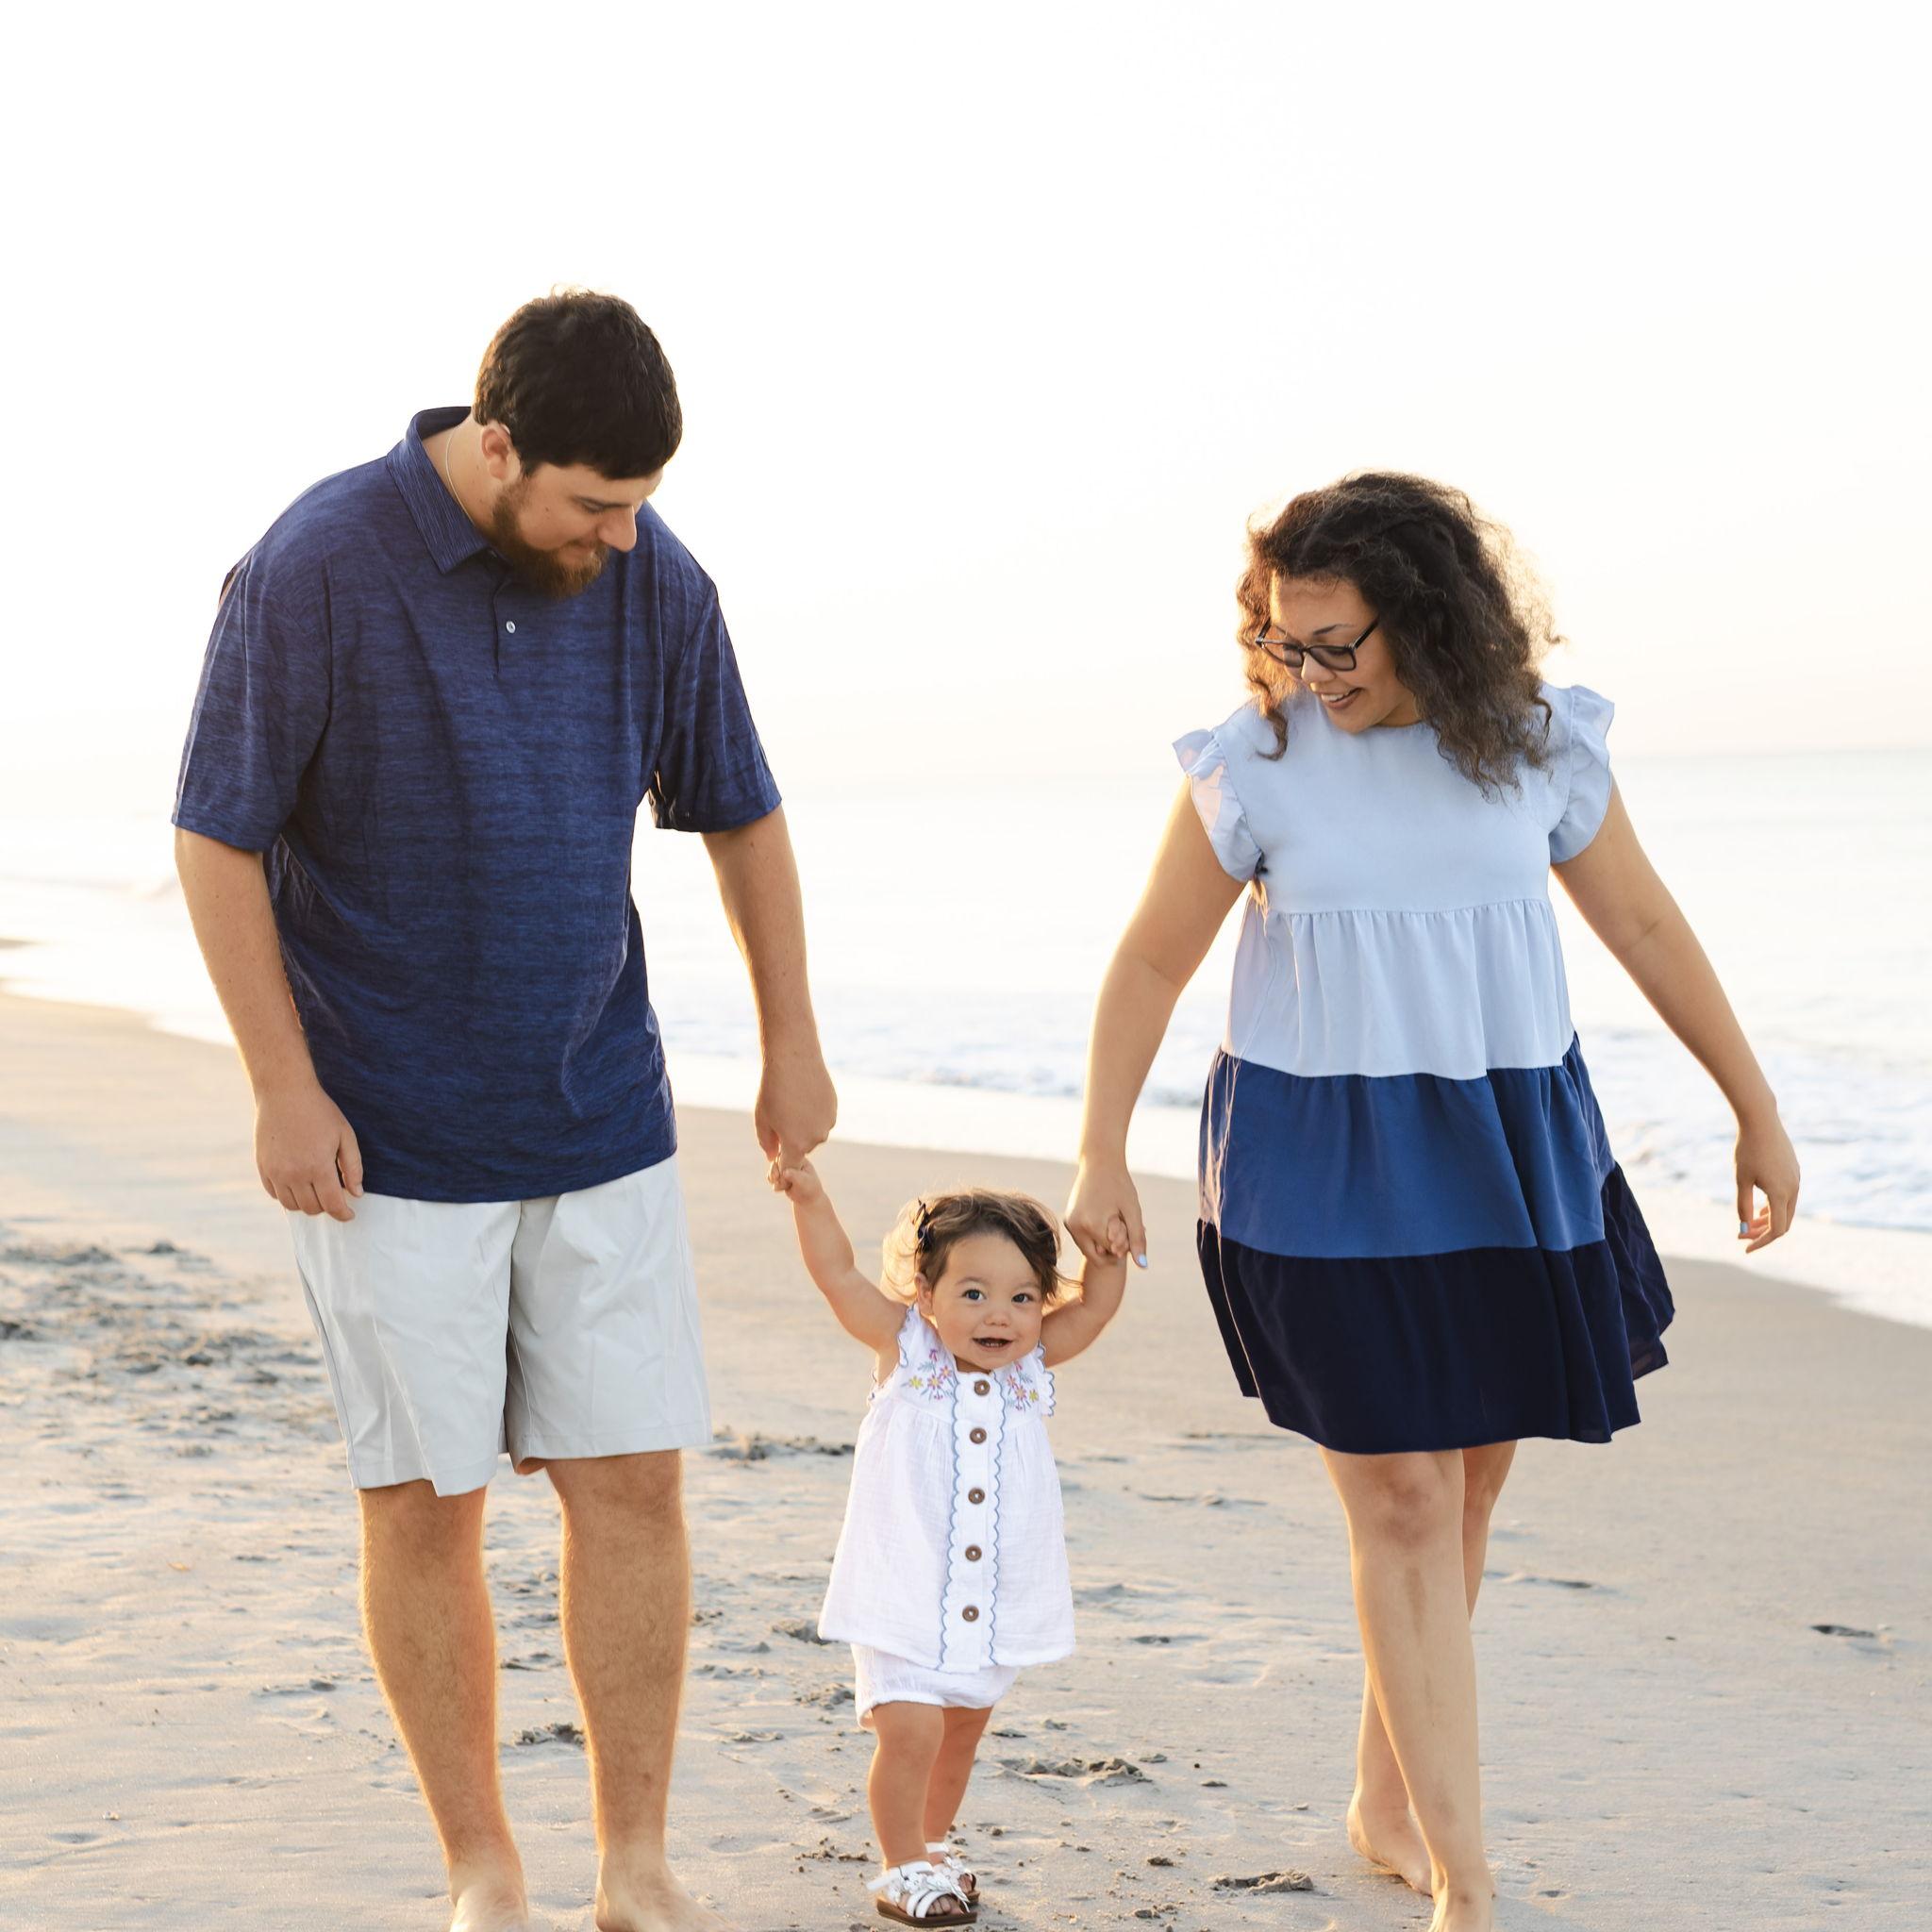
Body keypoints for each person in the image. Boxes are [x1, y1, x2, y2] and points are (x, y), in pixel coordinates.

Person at [172, 290, 837, 1932]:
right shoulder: (314, 565)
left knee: (632, 1485)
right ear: (495, 445)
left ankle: (636, 1866)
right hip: (387, 1135)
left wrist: (791, 1039)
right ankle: (482, 1866)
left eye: (637, 506)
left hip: (597, 1108)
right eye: (592, 505)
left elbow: (740, 815)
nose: (619, 538)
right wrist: (281, 1085)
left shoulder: (653, 575)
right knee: (424, 1501)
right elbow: (217, 834)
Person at [1064, 473, 1800, 1932]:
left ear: (1425, 619)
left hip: (1505, 1144)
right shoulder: (1255, 761)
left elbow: (1644, 923)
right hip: (1318, 1158)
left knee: (1460, 1490)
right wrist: (1100, 1151)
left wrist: (1755, 1107)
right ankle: (1467, 1877)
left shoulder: (1536, 745)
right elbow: (1149, 961)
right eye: (1286, 641)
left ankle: (1389, 1798)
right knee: (1398, 1498)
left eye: (1337, 643)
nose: (1307, 672)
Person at [770, 1160, 1128, 1924]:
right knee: (912, 1729)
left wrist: (1106, 1255)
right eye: (973, 1293)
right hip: (903, 1590)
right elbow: (837, 1274)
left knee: (960, 1734)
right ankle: (899, 1869)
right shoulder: (908, 1353)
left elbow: (1095, 1312)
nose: (999, 1315)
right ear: (926, 1296)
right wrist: (814, 1198)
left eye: (1022, 1297)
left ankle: (930, 1845)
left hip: (988, 1602)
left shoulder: (1027, 1368)